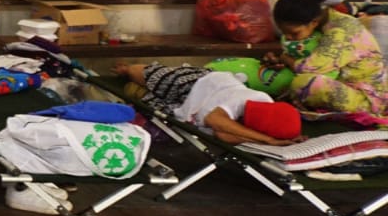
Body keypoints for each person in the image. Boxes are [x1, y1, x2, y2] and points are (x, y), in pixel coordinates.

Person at [264, 0, 388, 115]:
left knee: (305, 84)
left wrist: (285, 58)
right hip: (343, 84)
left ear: (314, 22)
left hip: (368, 98)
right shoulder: (322, 23)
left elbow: (310, 68)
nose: (288, 38)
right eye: (284, 33)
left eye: (294, 33)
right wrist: (279, 60)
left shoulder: (340, 30)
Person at [113, 62, 301, 145]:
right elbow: (214, 120)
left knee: (139, 99)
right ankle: (127, 69)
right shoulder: (251, 98)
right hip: (198, 83)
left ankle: (136, 89)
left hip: (186, 111)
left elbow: (222, 134)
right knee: (139, 73)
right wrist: (268, 140)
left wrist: (263, 140)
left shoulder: (262, 128)